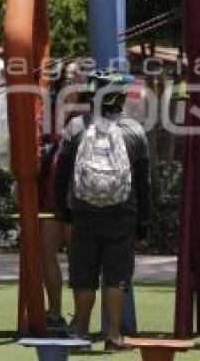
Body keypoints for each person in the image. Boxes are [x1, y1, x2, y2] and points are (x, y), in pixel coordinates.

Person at [55, 70, 151, 352]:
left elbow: (62, 177)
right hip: (122, 214)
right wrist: (143, 225)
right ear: (120, 97)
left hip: (83, 214)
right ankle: (113, 337)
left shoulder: (75, 128)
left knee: (83, 273)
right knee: (117, 275)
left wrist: (65, 214)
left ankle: (82, 334)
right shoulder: (135, 131)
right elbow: (144, 184)